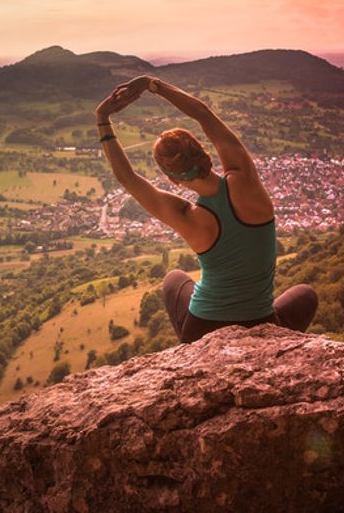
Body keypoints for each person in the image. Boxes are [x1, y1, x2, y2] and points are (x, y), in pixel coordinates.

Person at [95, 74, 318, 343]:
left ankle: (193, 352)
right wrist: (152, 84)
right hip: (260, 321)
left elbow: (128, 178)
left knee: (174, 279)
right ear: (204, 153)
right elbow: (203, 113)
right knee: (306, 294)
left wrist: (103, 118)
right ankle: (273, 345)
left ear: (172, 178)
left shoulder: (186, 217)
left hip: (202, 329)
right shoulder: (244, 181)